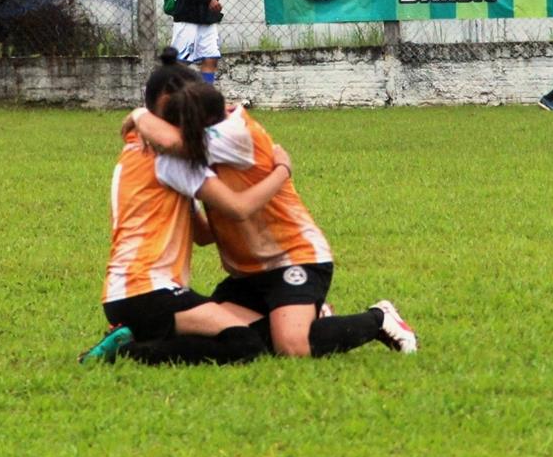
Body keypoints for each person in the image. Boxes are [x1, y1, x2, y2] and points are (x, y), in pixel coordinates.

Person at [133, 82, 418, 358]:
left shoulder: (235, 134)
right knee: (223, 335)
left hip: (293, 257)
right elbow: (207, 235)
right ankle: (311, 315)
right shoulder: (209, 145)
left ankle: (379, 318)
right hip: (248, 272)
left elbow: (171, 142)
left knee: (292, 347)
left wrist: (138, 115)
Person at [79, 57, 293, 366]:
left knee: (256, 330)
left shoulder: (140, 151)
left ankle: (134, 335)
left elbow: (203, 235)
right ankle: (132, 349)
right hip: (148, 292)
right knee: (245, 344)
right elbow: (237, 207)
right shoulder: (160, 151)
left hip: (130, 293)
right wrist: (282, 170)